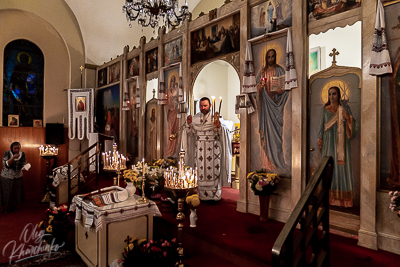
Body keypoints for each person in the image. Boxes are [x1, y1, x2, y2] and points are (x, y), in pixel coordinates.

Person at [182, 97, 232, 201]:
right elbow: (189, 133)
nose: (203, 108)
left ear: (210, 106)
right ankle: (202, 195)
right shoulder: (195, 118)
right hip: (200, 149)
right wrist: (189, 124)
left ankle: (215, 196)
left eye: (205, 105)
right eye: (201, 106)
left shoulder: (216, 117)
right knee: (201, 171)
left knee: (214, 171)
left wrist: (219, 126)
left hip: (213, 149)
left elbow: (223, 132)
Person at [317, 86, 358, 207]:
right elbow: (321, 126)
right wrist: (320, 138)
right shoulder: (324, 109)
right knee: (329, 167)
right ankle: (329, 199)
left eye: (334, 94)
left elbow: (354, 127)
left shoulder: (345, 108)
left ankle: (343, 201)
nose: (331, 97)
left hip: (342, 144)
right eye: (329, 94)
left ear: (338, 95)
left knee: (341, 169)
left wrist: (348, 118)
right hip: (329, 143)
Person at [256, 48, 289, 171]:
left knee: (277, 136)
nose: (271, 59)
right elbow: (257, 89)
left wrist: (281, 90)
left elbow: (285, 88)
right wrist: (261, 87)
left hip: (276, 106)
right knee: (265, 133)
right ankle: (266, 164)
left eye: (273, 56)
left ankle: (278, 162)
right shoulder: (262, 72)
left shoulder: (280, 70)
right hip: (265, 107)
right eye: (268, 57)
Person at [1, 142, 26, 213]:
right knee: (7, 192)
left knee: (15, 192)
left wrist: (25, 167)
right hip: (7, 176)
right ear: (11, 148)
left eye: (18, 148)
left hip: (18, 175)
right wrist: (13, 157)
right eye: (15, 148)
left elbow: (24, 163)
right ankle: (5, 208)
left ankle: (13, 206)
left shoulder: (22, 154)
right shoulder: (7, 153)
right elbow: (6, 164)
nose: (17, 150)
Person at [165, 75, 179, 158]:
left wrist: (175, 103)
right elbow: (165, 102)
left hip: (176, 111)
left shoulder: (176, 90)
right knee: (169, 130)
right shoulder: (168, 91)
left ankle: (174, 151)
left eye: (174, 80)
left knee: (175, 130)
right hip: (170, 112)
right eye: (172, 80)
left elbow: (178, 100)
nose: (173, 82)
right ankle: (169, 149)